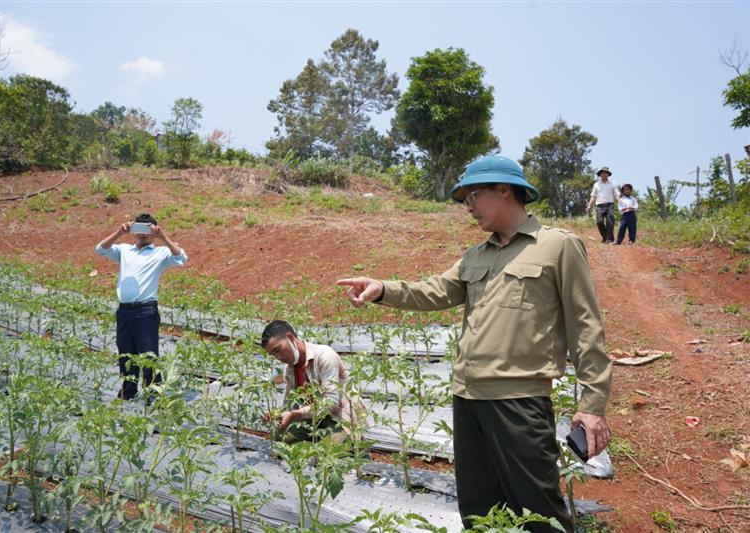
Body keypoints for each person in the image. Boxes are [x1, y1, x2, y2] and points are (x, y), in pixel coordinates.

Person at [338, 155, 612, 532]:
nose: (468, 207)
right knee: (480, 510)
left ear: (504, 190)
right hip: (467, 400)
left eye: (473, 195)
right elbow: (433, 291)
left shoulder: (557, 246)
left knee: (538, 513)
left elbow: (586, 326)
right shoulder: (475, 257)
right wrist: (383, 289)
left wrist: (592, 405)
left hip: (518, 402)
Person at [95, 213, 188, 400]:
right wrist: (119, 232)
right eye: (138, 229)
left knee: (148, 354)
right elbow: (100, 249)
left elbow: (181, 257)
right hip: (124, 310)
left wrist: (163, 237)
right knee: (125, 352)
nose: (142, 234)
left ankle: (154, 394)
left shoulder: (160, 253)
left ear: (153, 232)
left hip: (145, 311)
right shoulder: (124, 250)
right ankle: (128, 392)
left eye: (147, 230)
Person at [260, 320, 365, 444]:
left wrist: (294, 414)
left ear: (290, 337)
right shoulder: (289, 369)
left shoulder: (324, 355)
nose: (278, 357)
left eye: (278, 350)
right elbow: (291, 402)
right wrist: (277, 415)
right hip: (312, 418)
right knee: (279, 438)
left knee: (326, 454)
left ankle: (357, 446)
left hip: (340, 418)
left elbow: (331, 403)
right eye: (273, 354)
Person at [586, 166, 620, 243]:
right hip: (599, 206)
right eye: (602, 173)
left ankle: (610, 239)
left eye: (605, 173)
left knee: (610, 221)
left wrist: (621, 203)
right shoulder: (596, 185)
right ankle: (605, 236)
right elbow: (593, 197)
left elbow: (616, 195)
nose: (604, 174)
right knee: (599, 222)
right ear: (600, 174)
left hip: (609, 205)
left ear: (608, 174)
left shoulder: (612, 184)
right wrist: (589, 206)